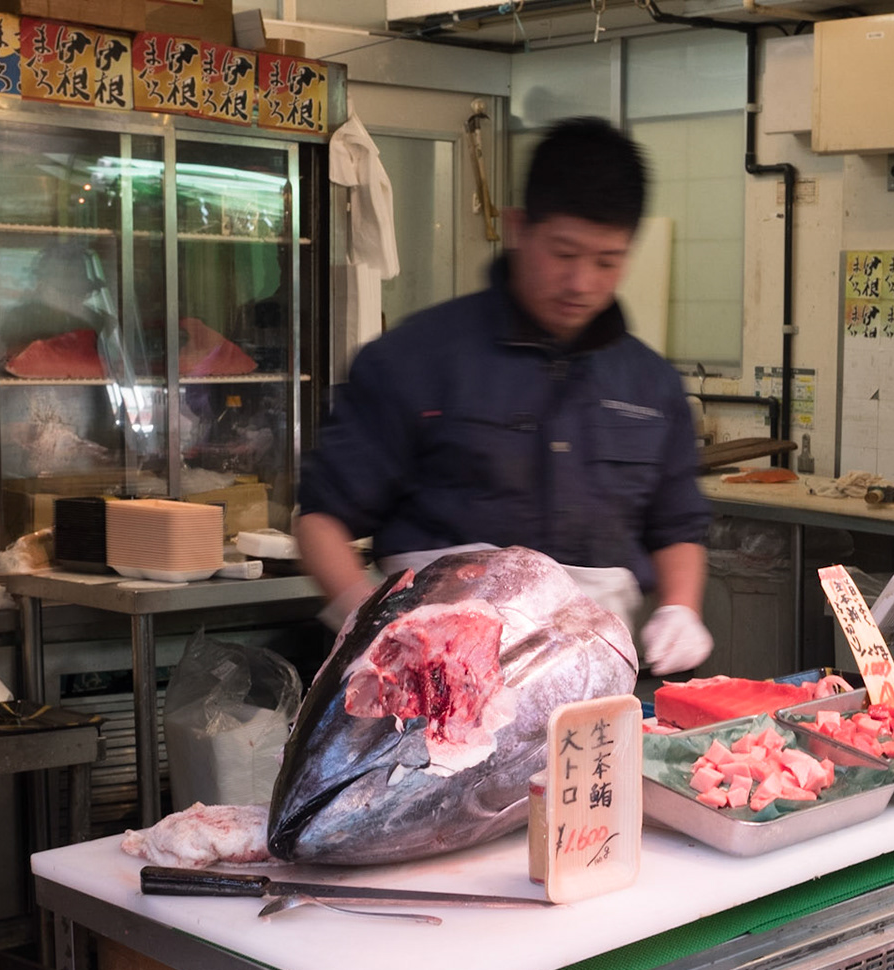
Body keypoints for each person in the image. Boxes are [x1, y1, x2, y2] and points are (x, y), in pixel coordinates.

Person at [296, 117, 715, 674]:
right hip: (432, 690)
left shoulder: (652, 385)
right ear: (518, 228)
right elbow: (321, 519)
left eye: (607, 261)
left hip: (593, 690)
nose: (582, 282)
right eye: (564, 253)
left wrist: (681, 609)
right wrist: (372, 628)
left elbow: (678, 528)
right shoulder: (413, 360)